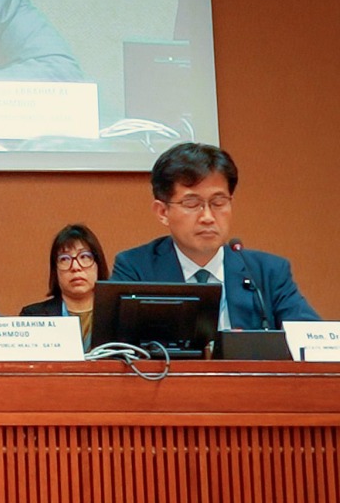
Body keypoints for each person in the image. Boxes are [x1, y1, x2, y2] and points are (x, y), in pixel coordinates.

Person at [112, 142, 319, 329]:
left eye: (218, 203)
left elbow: (313, 344)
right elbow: (114, 352)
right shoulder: (136, 269)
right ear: (163, 212)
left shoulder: (268, 272)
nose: (208, 217)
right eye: (192, 204)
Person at [19, 224, 109, 350]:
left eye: (84, 257)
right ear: (55, 270)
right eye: (65, 259)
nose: (75, 267)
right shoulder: (33, 317)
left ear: (98, 264)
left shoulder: (119, 319)